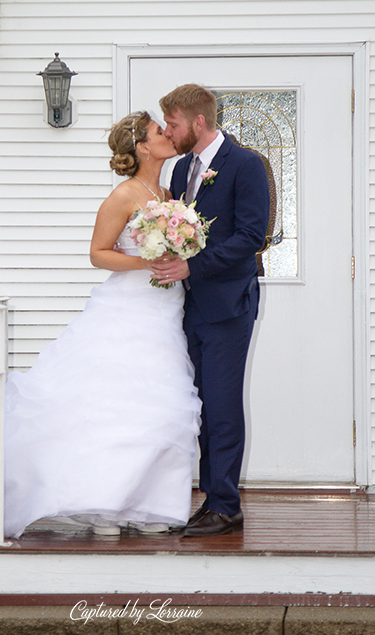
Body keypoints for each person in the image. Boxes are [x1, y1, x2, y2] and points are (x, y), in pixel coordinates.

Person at [0, 111, 201, 539]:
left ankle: (146, 504)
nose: (167, 135)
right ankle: (104, 507)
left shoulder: (167, 191)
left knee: (158, 403)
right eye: (158, 131)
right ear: (143, 147)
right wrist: (145, 261)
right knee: (113, 403)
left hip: (164, 311)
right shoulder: (123, 195)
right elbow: (97, 253)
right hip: (127, 308)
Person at [151, 84, 270, 537]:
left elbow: (249, 239)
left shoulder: (246, 165)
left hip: (228, 307)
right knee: (199, 405)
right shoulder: (183, 169)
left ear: (198, 123)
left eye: (174, 124)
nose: (169, 131)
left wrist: (191, 266)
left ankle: (226, 505)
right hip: (190, 308)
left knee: (221, 405)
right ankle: (212, 497)